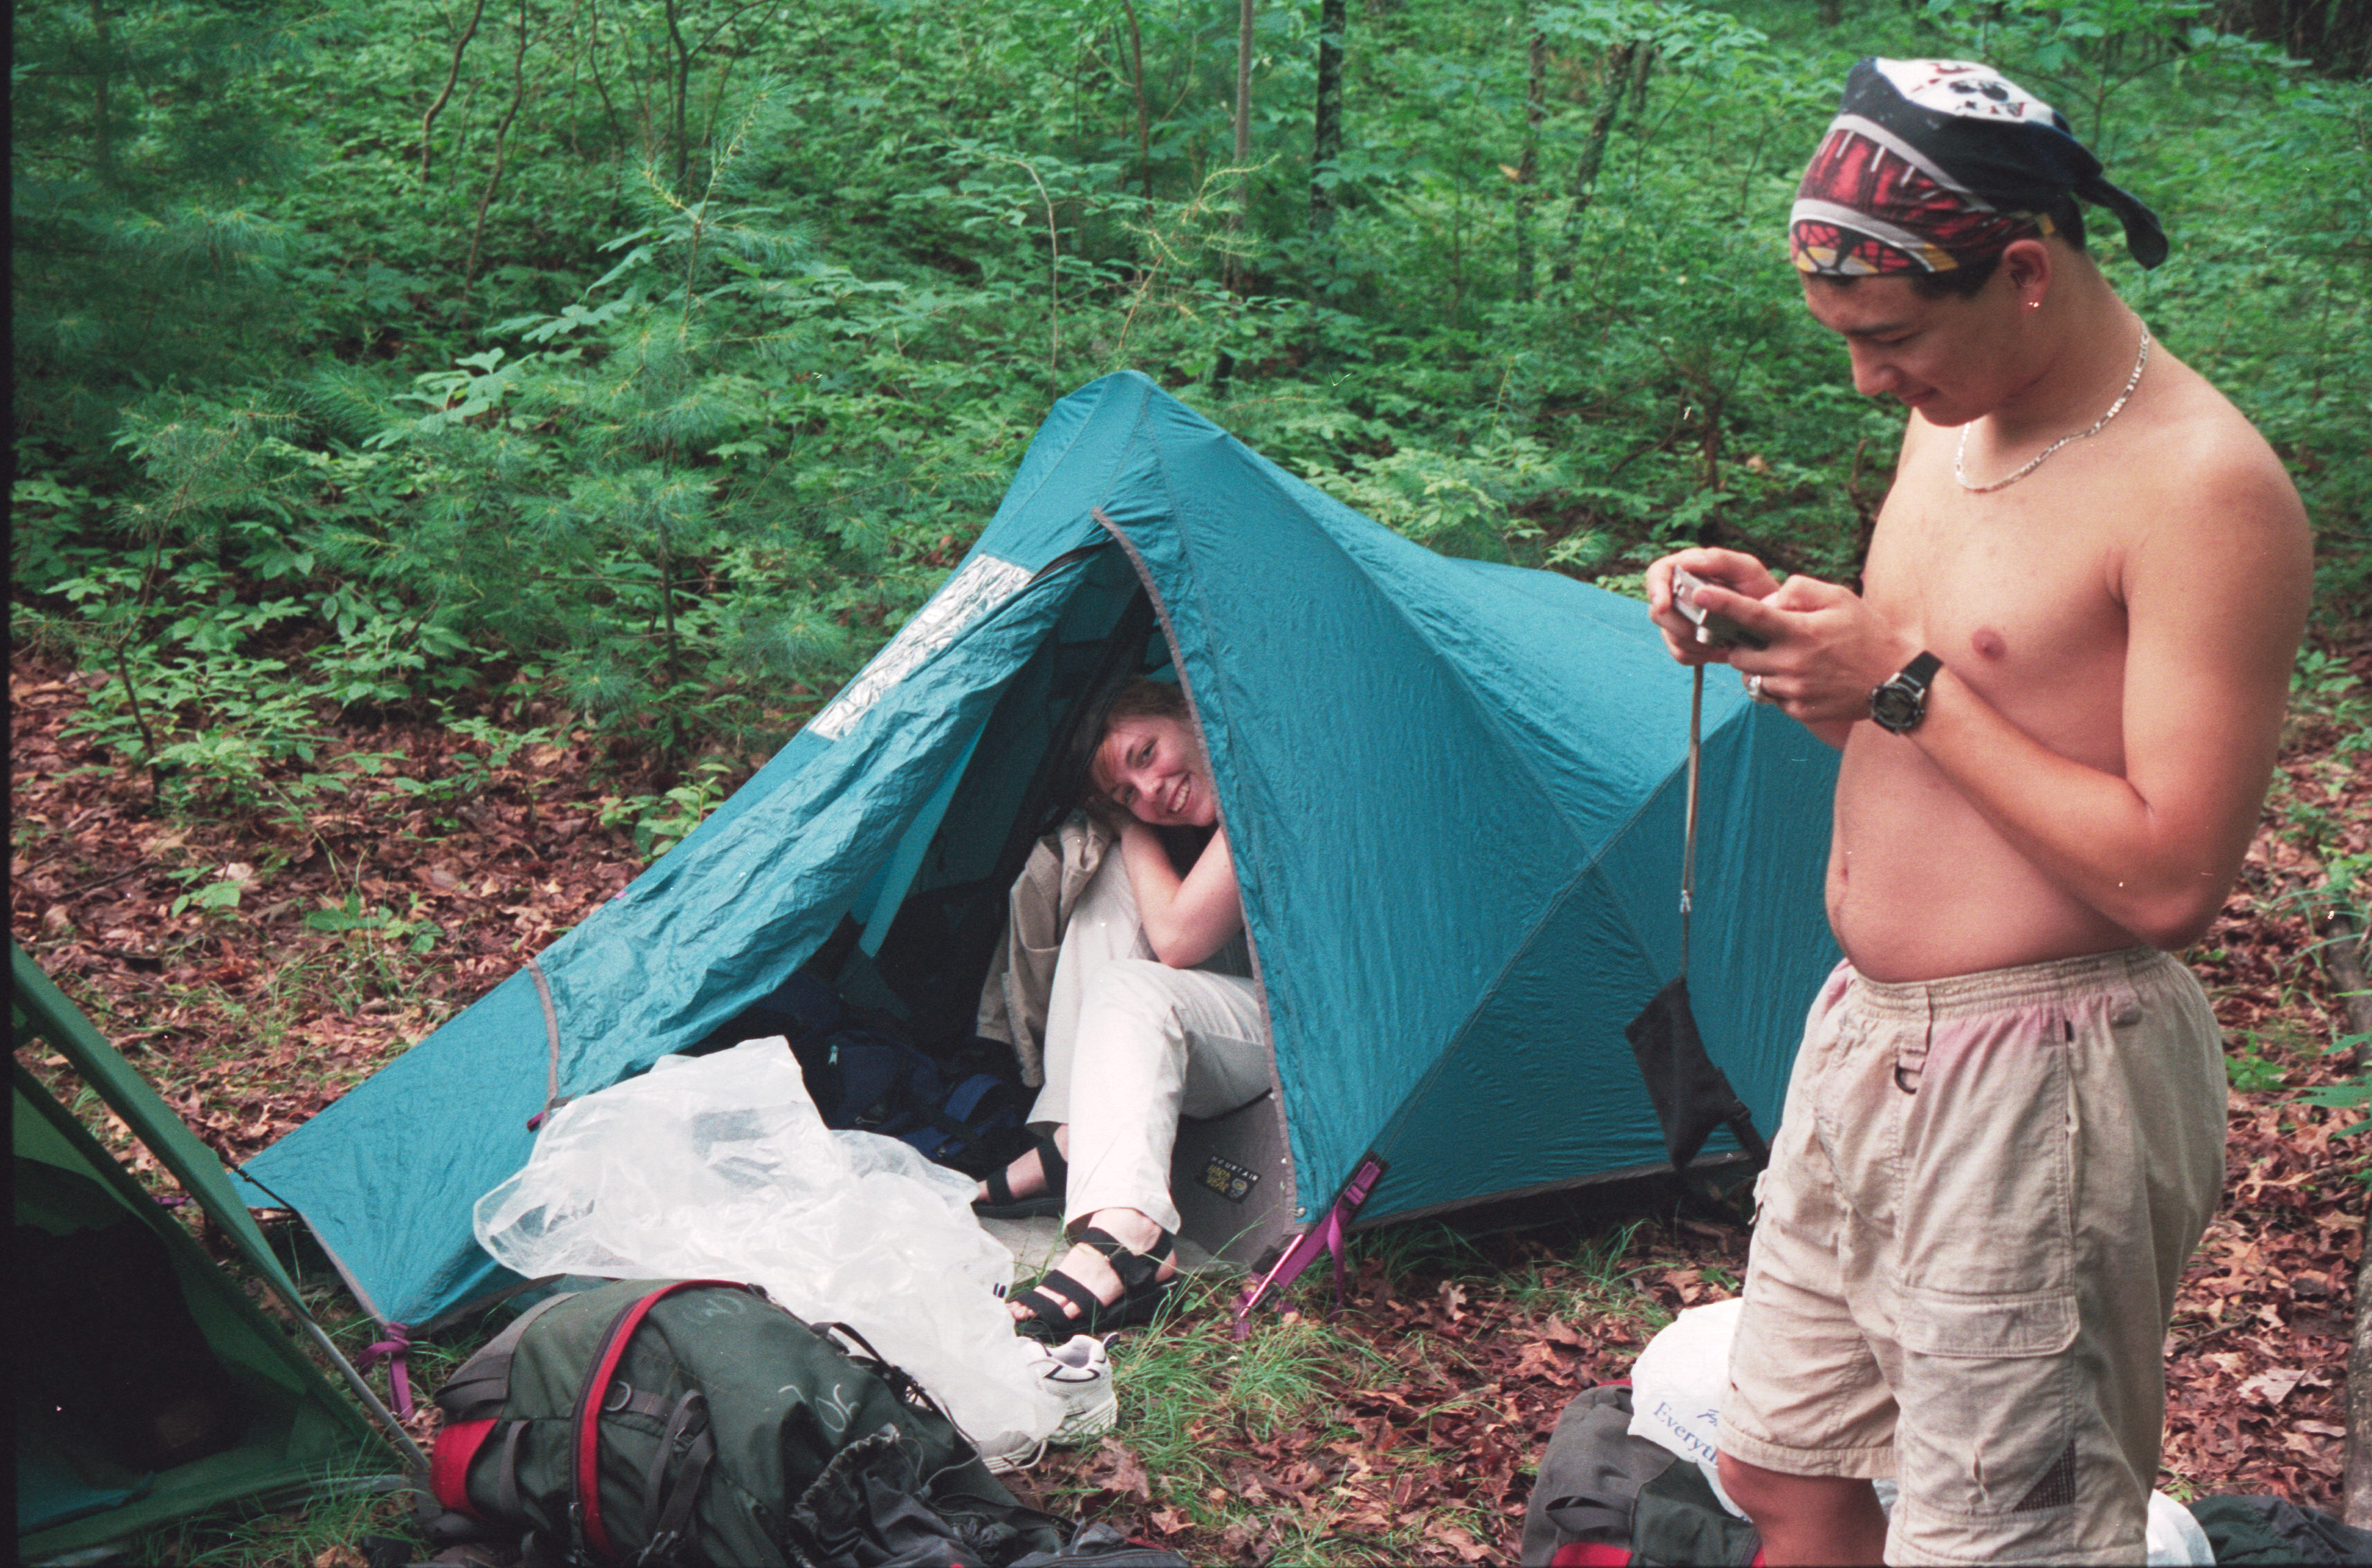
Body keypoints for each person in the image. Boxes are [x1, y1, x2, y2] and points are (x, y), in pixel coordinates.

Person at [1643, 58, 2311, 1567]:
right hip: (1862, 1042)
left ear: (2019, 271)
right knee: (1785, 1475)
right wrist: (1791, 633)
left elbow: (2166, 877)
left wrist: (1899, 681)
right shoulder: (1954, 417)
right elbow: (1937, 688)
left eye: (1886, 341)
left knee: (1999, 1543)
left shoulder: (2204, 489)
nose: (1867, 383)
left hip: (2045, 1074)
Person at [972, 679, 1272, 1339]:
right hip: (1262, 993)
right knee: (1103, 867)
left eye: (1146, 754)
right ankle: (1072, 1137)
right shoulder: (1214, 788)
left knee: (1132, 988)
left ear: (1190, 712)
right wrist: (1114, 822)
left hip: (1323, 1033)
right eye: (1128, 791)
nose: (1152, 791)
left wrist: (1128, 823)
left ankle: (1130, 1240)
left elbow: (1178, 939)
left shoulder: (1263, 765)